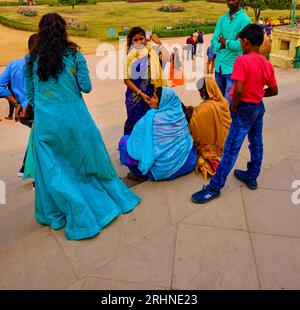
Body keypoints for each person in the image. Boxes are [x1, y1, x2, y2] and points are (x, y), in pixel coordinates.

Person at [21, 13, 140, 240]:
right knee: (83, 162)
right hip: (76, 118)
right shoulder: (74, 56)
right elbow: (86, 87)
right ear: (64, 30)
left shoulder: (32, 61)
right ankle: (94, 202)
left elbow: (32, 97)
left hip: (47, 122)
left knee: (54, 170)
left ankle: (63, 209)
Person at [191, 24, 278, 204]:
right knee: (256, 142)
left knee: (231, 148)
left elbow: (238, 89)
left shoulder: (242, 61)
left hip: (244, 108)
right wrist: (259, 94)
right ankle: (252, 175)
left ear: (245, 42)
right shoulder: (266, 63)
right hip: (258, 107)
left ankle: (214, 187)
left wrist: (234, 106)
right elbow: (274, 90)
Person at [119, 87, 197, 182]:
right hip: (187, 164)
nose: (151, 99)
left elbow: (136, 143)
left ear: (163, 101)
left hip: (162, 171)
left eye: (155, 97)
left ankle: (138, 175)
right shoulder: (179, 113)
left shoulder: (150, 118)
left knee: (124, 142)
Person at [0, 34, 36, 177]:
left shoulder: (14, 64)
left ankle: (25, 168)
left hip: (22, 113)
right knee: (41, 137)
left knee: (37, 134)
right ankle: (33, 174)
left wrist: (16, 103)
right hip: (35, 112)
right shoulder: (41, 66)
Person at [123, 27, 167, 135]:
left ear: (145, 39)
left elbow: (167, 58)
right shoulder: (129, 57)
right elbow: (126, 80)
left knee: (151, 126)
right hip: (135, 97)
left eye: (141, 39)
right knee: (135, 125)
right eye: (135, 40)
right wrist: (140, 93)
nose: (139, 42)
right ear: (131, 42)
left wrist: (158, 42)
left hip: (151, 95)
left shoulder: (152, 51)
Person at [211, 0, 251, 102]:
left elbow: (240, 45)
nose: (230, 2)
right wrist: (224, 44)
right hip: (219, 66)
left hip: (233, 68)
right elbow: (213, 42)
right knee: (219, 100)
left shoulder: (245, 20)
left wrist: (225, 42)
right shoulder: (222, 19)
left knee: (229, 103)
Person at [187, 77, 231, 180]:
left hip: (213, 147)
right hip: (226, 140)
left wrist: (192, 114)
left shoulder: (207, 107)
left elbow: (196, 121)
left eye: (200, 91)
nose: (200, 94)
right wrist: (195, 109)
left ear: (205, 90)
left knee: (191, 125)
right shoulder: (223, 101)